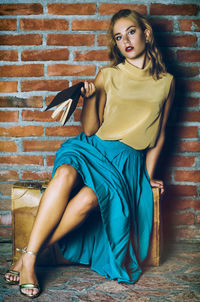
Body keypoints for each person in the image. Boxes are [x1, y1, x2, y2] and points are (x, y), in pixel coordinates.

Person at [5, 9, 175, 298]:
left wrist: (147, 174)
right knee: (64, 173)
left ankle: (27, 256)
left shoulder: (167, 82)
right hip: (93, 148)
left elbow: (160, 134)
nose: (126, 41)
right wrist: (90, 98)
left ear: (146, 33)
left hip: (125, 163)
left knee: (87, 200)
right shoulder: (108, 75)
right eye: (119, 37)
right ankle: (30, 258)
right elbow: (91, 127)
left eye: (131, 32)